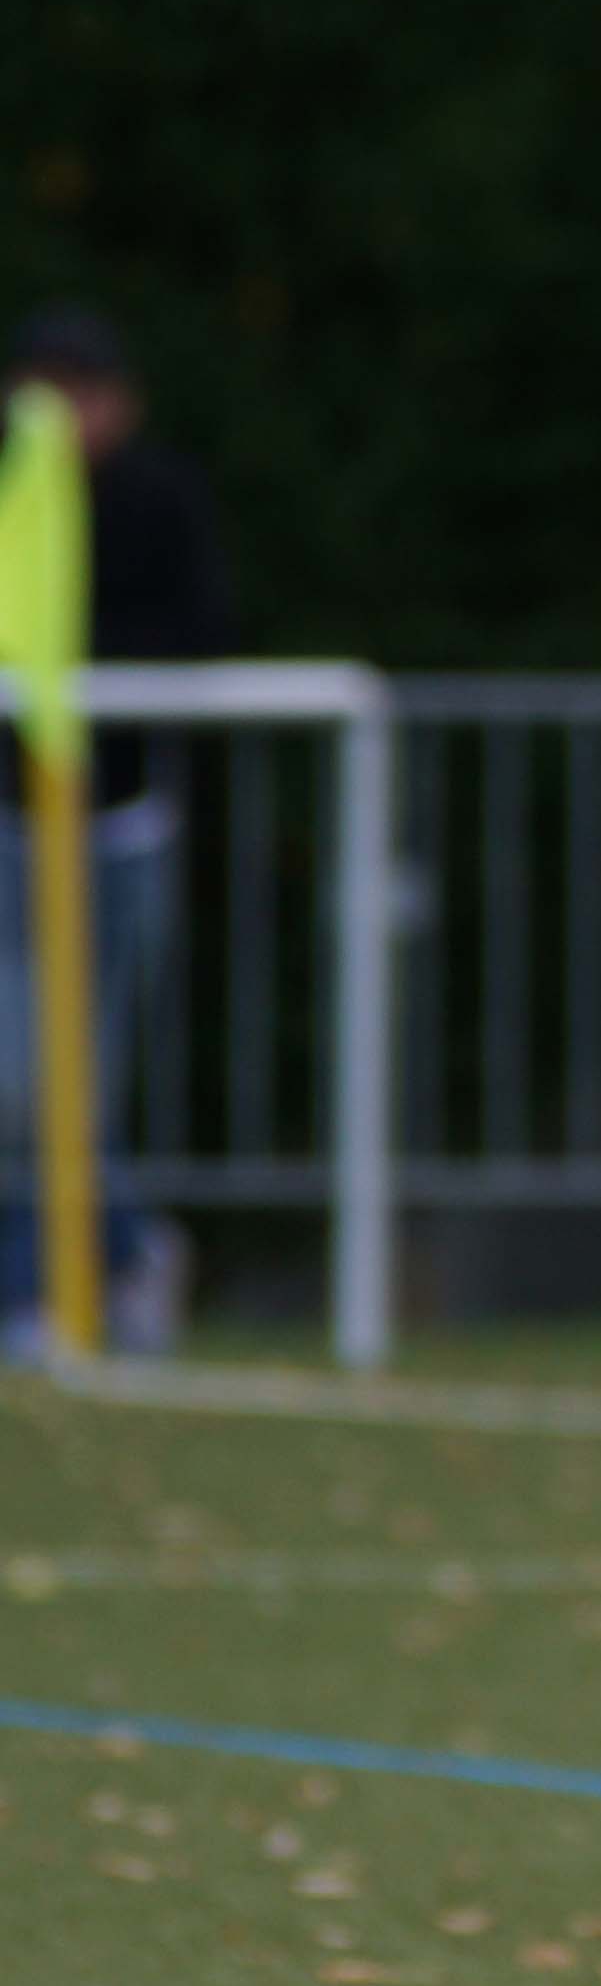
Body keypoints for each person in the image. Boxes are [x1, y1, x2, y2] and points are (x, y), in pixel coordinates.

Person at [2, 303, 227, 1357]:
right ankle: (108, 1256)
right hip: (11, 825)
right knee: (20, 1074)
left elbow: (199, 632)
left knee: (79, 1068)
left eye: (79, 390)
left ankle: (95, 1268)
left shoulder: (159, 498)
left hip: (119, 826)